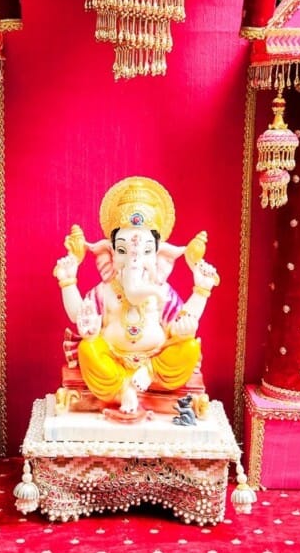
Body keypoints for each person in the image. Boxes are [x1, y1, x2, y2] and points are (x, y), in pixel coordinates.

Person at [53, 176, 219, 413]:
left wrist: (201, 291)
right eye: (123, 250)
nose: (134, 260)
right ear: (108, 254)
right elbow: (79, 315)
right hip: (113, 358)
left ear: (160, 256)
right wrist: (68, 281)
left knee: (189, 347)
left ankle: (147, 374)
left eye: (146, 251)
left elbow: (183, 319)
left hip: (154, 365)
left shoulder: (161, 291)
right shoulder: (106, 290)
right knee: (88, 348)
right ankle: (124, 390)